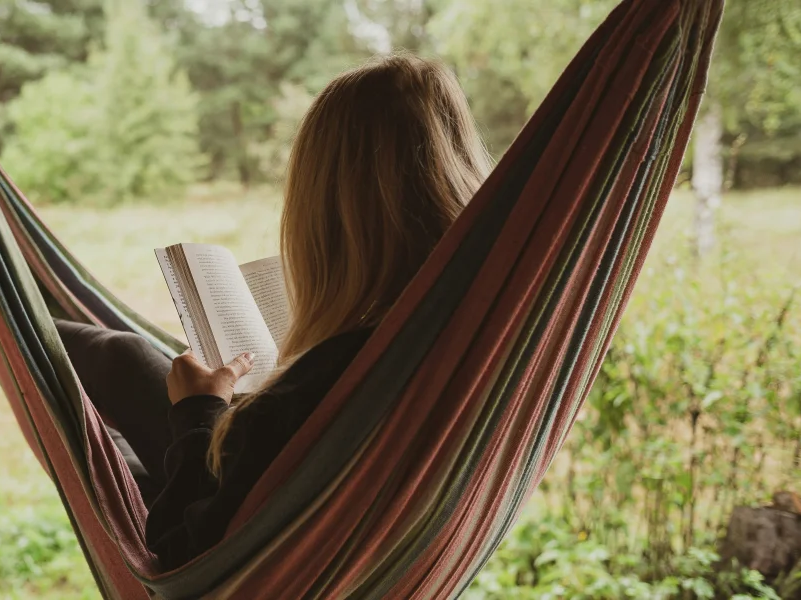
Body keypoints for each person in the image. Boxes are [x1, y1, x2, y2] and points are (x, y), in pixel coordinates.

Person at [55, 52, 492, 571]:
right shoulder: (479, 315)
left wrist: (198, 414)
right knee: (122, 392)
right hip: (367, 536)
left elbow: (177, 554)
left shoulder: (306, 391)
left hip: (246, 531)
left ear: (326, 210)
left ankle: (31, 319)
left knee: (118, 359)